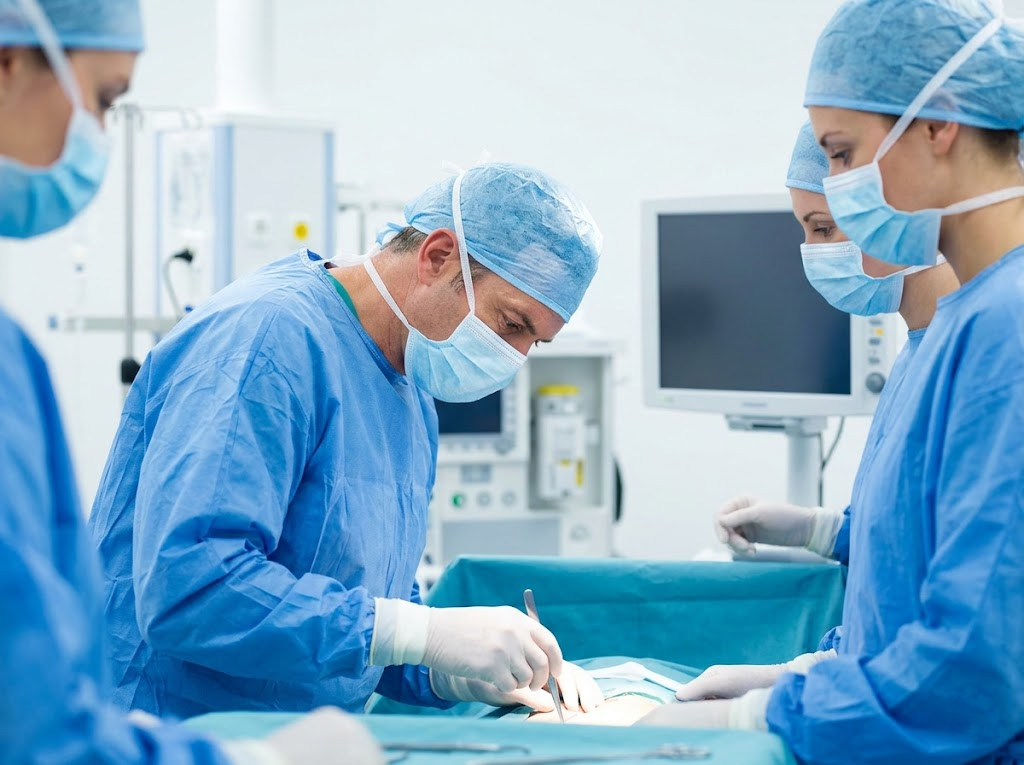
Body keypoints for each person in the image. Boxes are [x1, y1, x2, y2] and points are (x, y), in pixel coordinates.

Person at [0, 1, 383, 763]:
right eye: (105, 101)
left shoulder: (396, 382)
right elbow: (32, 724)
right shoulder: (268, 335)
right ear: (10, 61)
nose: (100, 138)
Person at [644, 1, 1024, 762]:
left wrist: (761, 718)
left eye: (843, 152)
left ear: (940, 122)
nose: (839, 185)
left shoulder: (1008, 326)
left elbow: (974, 671)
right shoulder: (969, 322)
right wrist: (804, 676)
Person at [88, 162, 606, 719]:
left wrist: (452, 669)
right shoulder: (265, 342)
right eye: (511, 324)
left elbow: (365, 611)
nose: (516, 356)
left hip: (294, 740)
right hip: (169, 729)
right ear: (436, 256)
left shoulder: (410, 387)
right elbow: (189, 590)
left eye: (536, 342)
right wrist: (422, 632)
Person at [671, 121, 959, 705]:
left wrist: (776, 700)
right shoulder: (920, 352)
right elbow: (907, 537)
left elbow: (964, 613)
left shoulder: (973, 359)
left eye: (826, 227)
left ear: (900, 208)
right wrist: (821, 528)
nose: (815, 253)